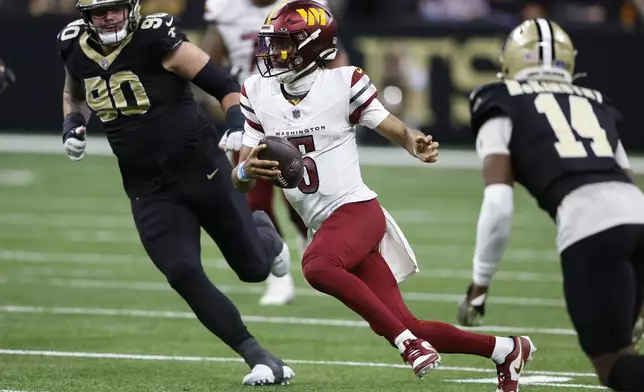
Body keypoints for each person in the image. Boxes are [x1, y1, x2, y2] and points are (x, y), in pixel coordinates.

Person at [225, 1, 536, 389]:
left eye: (284, 44)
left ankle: (407, 346)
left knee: (317, 266)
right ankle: (506, 349)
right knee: (408, 322)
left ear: (312, 46)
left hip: (356, 210)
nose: (273, 53)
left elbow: (390, 125)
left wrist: (413, 142)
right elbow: (242, 177)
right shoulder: (256, 91)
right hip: (324, 221)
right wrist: (242, 171)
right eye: (272, 44)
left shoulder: (343, 82)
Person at [57, 0, 294, 385]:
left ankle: (266, 236)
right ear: (86, 16)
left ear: (131, 7)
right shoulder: (72, 45)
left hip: (201, 170)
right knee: (181, 271)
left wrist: (235, 121)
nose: (109, 17)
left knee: (253, 269)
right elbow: (76, 94)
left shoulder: (157, 38)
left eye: (115, 8)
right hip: (147, 187)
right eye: (99, 12)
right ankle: (259, 357)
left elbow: (224, 84)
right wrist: (71, 124)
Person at [461, 18, 644, 391]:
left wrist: (479, 284)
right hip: (638, 216)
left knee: (614, 367)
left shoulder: (496, 98)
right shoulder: (596, 101)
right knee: (627, 354)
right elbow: (625, 177)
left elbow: (498, 203)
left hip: (590, 227)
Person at [202, 0, 349, 306]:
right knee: (254, 199)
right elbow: (207, 71)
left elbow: (337, 60)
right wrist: (230, 118)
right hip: (252, 113)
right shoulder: (225, 11)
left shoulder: (303, 7)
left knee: (302, 199)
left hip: (299, 113)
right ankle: (279, 276)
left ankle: (314, 250)